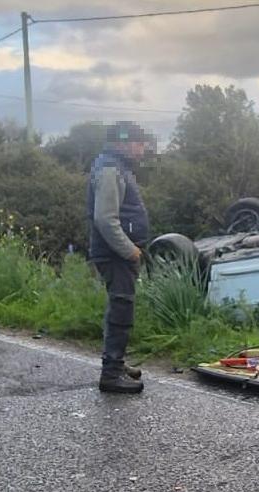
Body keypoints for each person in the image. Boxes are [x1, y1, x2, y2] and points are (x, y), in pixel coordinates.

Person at [87, 122, 154, 393]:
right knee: (121, 308)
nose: (143, 148)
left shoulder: (116, 166)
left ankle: (116, 362)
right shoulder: (111, 170)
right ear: (123, 143)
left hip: (116, 252)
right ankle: (111, 373)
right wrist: (129, 249)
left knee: (120, 307)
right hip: (115, 253)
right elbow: (104, 218)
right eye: (139, 143)